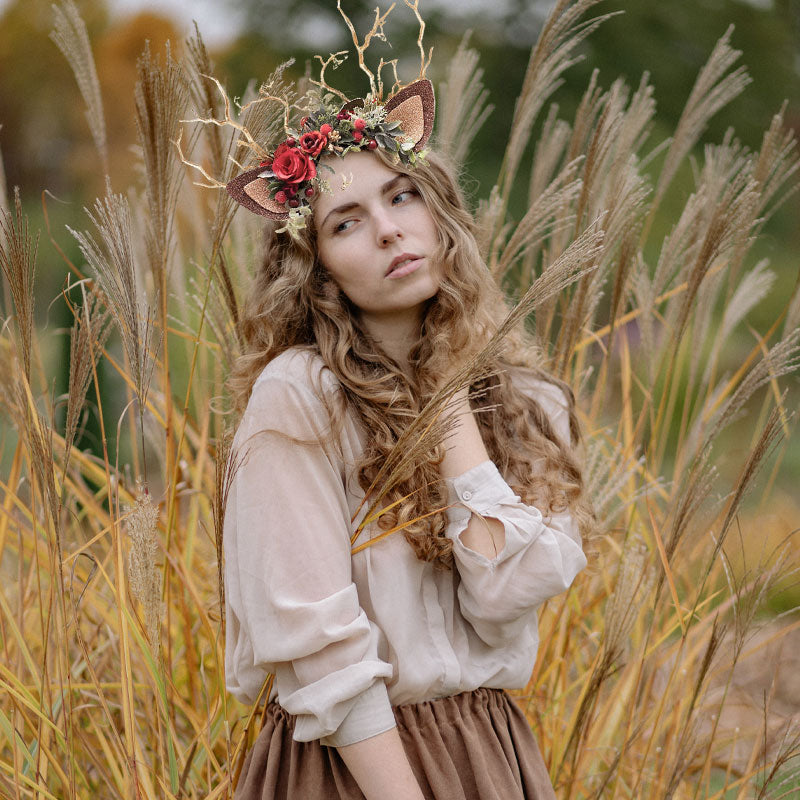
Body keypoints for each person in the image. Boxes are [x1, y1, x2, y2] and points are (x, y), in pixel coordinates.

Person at [222, 77, 590, 800]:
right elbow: (317, 650)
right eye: (345, 222)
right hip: (350, 764)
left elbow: (502, 595)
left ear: (439, 210)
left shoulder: (527, 403)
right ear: (314, 265)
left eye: (401, 195)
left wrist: (447, 388)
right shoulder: (300, 398)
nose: (389, 229)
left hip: (491, 753)